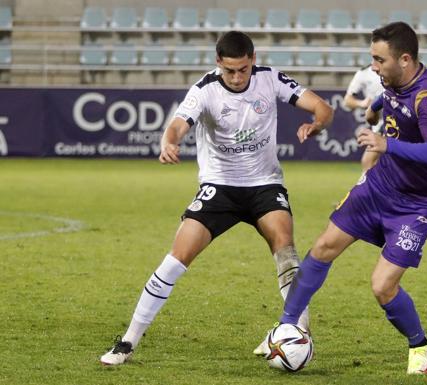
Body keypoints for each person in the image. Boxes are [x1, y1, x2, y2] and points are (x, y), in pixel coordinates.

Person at [100, 31, 334, 365]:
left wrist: (316, 125)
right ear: (218, 64)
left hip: (265, 185)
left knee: (285, 246)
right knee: (178, 256)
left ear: (252, 59)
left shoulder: (270, 79)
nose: (237, 78)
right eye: (230, 71)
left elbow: (322, 107)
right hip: (219, 187)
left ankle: (294, 333)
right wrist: (170, 142)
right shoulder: (205, 89)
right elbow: (178, 124)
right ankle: (127, 341)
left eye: (243, 69)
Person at [269, 21, 427, 375]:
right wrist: (374, 109)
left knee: (382, 286)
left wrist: (387, 143)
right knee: (323, 246)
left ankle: (420, 346)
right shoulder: (392, 82)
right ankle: (286, 326)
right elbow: (386, 98)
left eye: (379, 60)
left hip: (418, 204)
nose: (374, 66)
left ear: (404, 59)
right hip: (379, 186)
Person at [343, 64, 384, 171]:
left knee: (368, 161)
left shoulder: (393, 68)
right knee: (371, 163)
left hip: (392, 122)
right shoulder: (363, 73)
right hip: (378, 124)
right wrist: (362, 103)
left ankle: (365, 186)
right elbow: (347, 100)